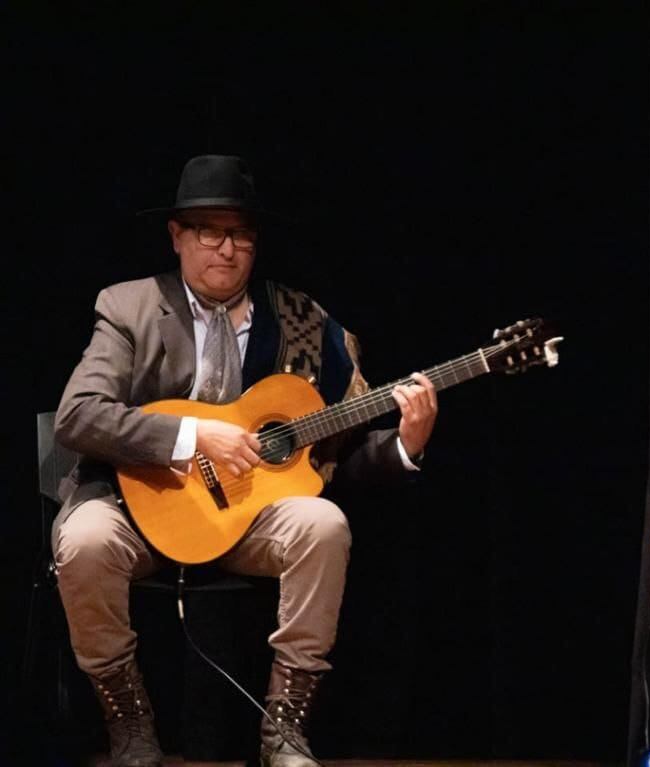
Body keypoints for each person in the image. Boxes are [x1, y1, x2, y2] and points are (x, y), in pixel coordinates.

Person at [53, 154, 438, 767]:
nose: (226, 249)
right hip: (137, 506)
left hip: (247, 519)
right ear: (176, 237)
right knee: (86, 543)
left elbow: (336, 451)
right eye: (209, 231)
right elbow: (79, 416)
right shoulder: (128, 307)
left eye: (241, 234)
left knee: (324, 525)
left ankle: (283, 729)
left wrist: (405, 444)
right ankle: (129, 722)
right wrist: (192, 438)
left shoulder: (305, 325)